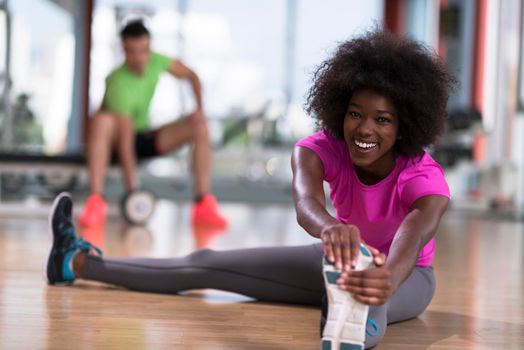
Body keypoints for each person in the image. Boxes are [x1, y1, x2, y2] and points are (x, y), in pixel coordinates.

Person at [46, 29, 453, 349]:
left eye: (383, 120)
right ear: (339, 112)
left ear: (404, 126)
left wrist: (389, 276)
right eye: (355, 114)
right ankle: (77, 263)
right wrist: (330, 227)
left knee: (365, 293)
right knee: (204, 261)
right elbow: (306, 201)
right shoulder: (319, 149)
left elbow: (414, 231)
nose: (365, 129)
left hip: (407, 277)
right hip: (332, 256)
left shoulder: (422, 174)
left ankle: (350, 320)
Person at [79, 19, 227, 228]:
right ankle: (95, 202)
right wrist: (133, 193)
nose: (139, 58)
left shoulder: (156, 61)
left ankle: (203, 205)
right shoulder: (118, 82)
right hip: (114, 142)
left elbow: (191, 76)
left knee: (199, 124)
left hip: (143, 135)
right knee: (103, 121)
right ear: (123, 50)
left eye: (144, 50)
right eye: (132, 51)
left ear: (150, 48)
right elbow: (125, 143)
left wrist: (199, 109)